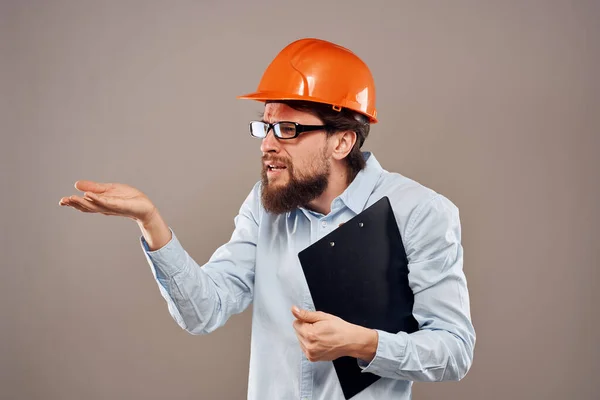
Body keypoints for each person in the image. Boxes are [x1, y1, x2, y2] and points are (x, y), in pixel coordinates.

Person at [59, 38, 475, 399]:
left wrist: (365, 344)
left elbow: (454, 352)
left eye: (288, 129)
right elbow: (204, 311)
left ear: (343, 141)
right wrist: (150, 222)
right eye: (265, 127)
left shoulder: (419, 213)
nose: (268, 145)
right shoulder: (265, 206)